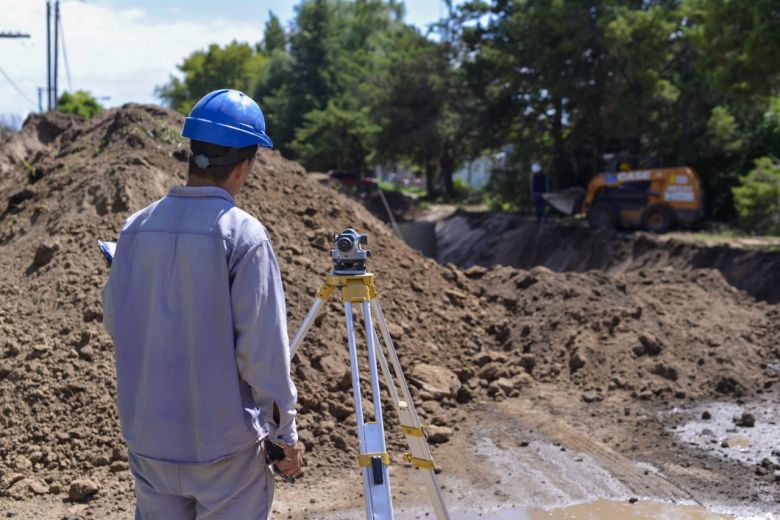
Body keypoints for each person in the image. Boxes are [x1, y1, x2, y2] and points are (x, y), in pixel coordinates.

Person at [101, 89, 303, 519]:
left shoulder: (134, 229)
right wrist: (284, 432)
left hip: (150, 445)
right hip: (224, 452)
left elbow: (117, 321)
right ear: (245, 166)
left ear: (192, 155)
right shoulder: (243, 236)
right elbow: (262, 352)